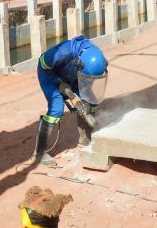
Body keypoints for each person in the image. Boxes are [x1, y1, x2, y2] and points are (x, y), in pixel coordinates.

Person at [34, 36, 109, 166]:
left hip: (76, 76)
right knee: (56, 110)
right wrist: (60, 84)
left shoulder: (99, 60)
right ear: (78, 62)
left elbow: (89, 81)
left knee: (90, 102)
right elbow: (43, 64)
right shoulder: (62, 53)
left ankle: (85, 137)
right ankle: (39, 152)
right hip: (49, 75)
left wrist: (82, 99)